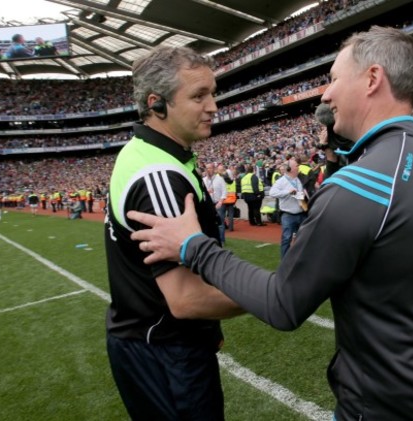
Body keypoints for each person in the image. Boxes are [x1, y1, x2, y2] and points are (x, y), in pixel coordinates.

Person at [128, 26, 413, 420]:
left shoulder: (356, 188)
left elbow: (283, 304)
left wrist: (192, 245)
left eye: (332, 79)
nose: (327, 94)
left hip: (394, 404)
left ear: (372, 79)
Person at [104, 45, 242, 420]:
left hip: (156, 342)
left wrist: (208, 329)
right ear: (157, 103)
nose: (213, 106)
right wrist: (275, 293)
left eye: (213, 93)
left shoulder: (151, 155)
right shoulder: (158, 176)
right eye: (199, 96)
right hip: (164, 350)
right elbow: (185, 299)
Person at [268, 159, 307, 257]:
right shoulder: (281, 181)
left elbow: (299, 196)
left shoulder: (298, 180)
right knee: (286, 238)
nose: (298, 167)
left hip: (301, 214)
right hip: (288, 215)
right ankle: (284, 262)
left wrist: (302, 196)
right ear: (290, 169)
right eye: (297, 166)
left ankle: (299, 259)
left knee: (302, 239)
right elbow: (272, 193)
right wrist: (288, 192)